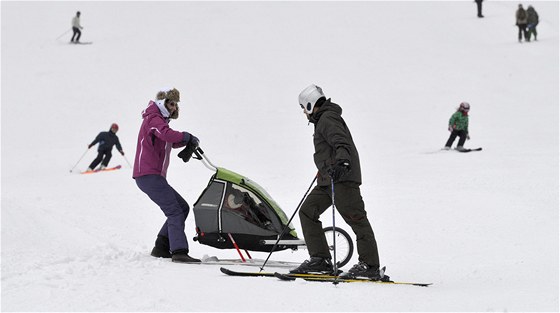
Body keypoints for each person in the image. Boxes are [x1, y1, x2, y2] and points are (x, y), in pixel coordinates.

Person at [290, 84, 388, 281]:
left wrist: (342, 162)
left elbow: (340, 141)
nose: (303, 112)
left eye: (303, 107)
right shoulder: (323, 120)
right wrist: (324, 166)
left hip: (342, 180)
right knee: (308, 211)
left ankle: (369, 265)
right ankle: (320, 260)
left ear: (310, 105)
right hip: (328, 180)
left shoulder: (328, 118)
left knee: (356, 219)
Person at [133, 88, 201, 264]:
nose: (173, 108)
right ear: (162, 103)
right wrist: (186, 136)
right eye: (171, 104)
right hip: (148, 175)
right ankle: (179, 251)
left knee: (182, 207)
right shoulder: (153, 118)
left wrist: (187, 141)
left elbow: (167, 139)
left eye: (175, 105)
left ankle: (161, 247)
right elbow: (166, 134)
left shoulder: (158, 121)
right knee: (174, 211)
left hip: (153, 176)